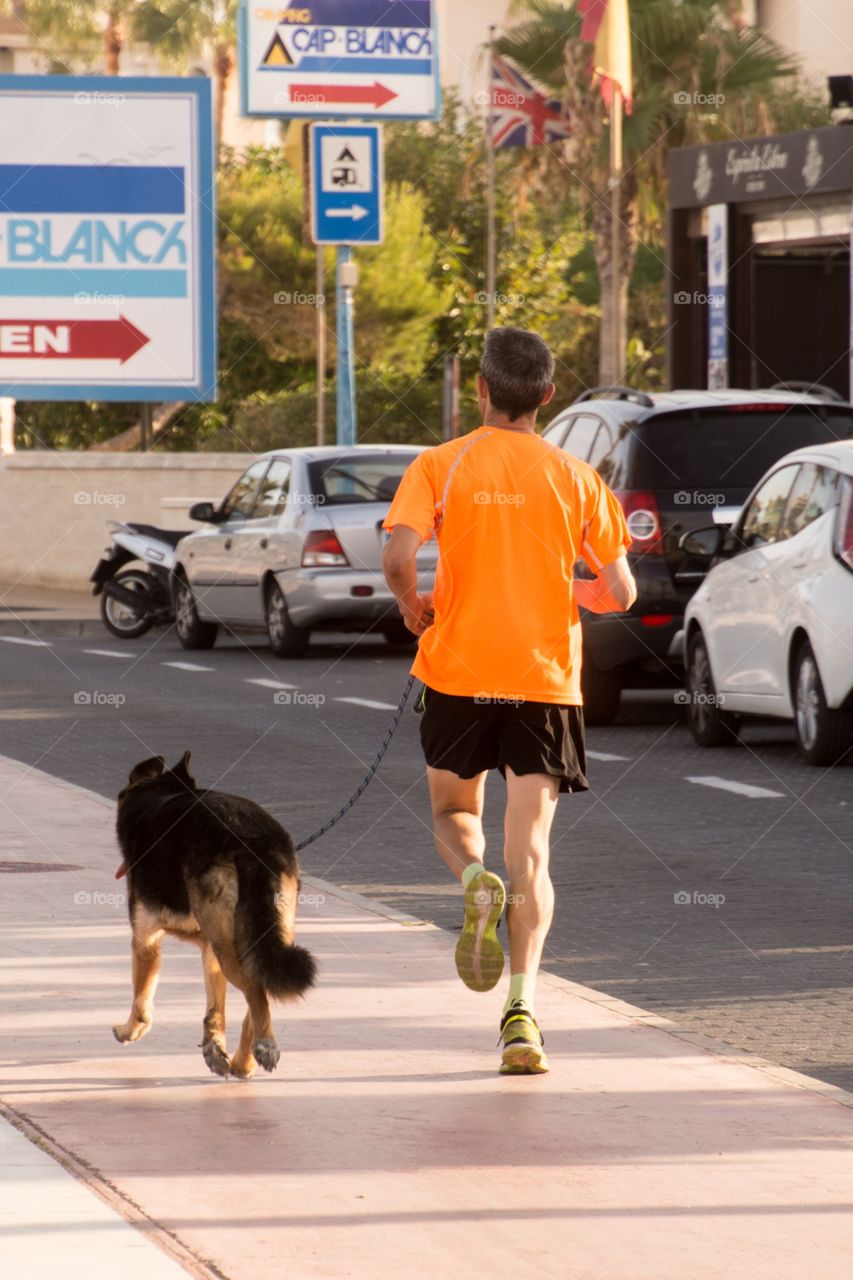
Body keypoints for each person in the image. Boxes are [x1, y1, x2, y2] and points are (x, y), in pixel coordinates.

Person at [381, 327, 636, 1075]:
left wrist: (411, 605)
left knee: (454, 816)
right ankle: (520, 1015)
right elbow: (619, 592)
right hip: (544, 683)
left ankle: (470, 881)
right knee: (533, 854)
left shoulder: (440, 464)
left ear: (481, 392)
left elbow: (398, 555)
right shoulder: (576, 477)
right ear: (548, 398)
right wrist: (569, 589)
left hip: (457, 675)